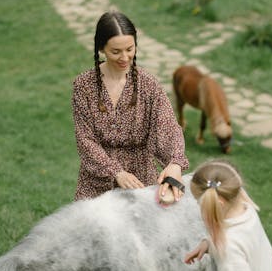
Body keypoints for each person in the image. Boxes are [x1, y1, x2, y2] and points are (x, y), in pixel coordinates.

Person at [71, 11, 188, 201]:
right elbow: (85, 140)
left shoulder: (148, 85)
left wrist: (175, 163)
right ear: (101, 48)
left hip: (141, 182)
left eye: (130, 49)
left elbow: (167, 126)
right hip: (96, 184)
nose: (124, 57)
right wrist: (116, 172)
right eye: (115, 52)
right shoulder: (83, 86)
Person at [184, 160, 272, 271]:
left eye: (200, 204)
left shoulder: (228, 244)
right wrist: (208, 244)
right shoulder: (246, 209)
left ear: (219, 204)